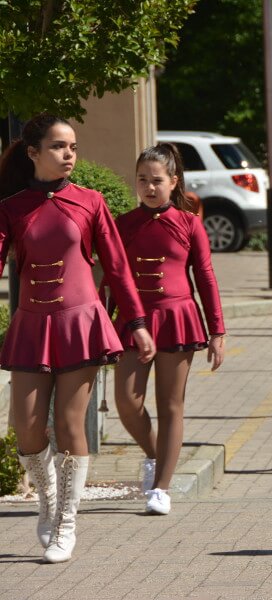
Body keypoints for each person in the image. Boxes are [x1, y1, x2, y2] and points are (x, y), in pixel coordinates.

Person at [0, 113, 156, 563]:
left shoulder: (90, 201)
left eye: (72, 146)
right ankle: (48, 500)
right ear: (33, 153)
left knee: (70, 425)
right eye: (58, 147)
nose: (69, 154)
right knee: (26, 426)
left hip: (80, 322)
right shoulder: (10, 207)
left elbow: (118, 267)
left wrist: (137, 323)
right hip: (32, 324)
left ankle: (67, 522)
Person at [111, 144, 226, 516]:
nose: (148, 187)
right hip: (133, 321)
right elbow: (112, 278)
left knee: (171, 404)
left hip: (177, 318)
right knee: (127, 402)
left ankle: (162, 487)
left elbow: (205, 278)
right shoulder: (123, 224)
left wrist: (217, 331)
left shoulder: (190, 223)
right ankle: (154, 455)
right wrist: (102, 323)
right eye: (142, 179)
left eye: (156, 180)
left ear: (173, 181)